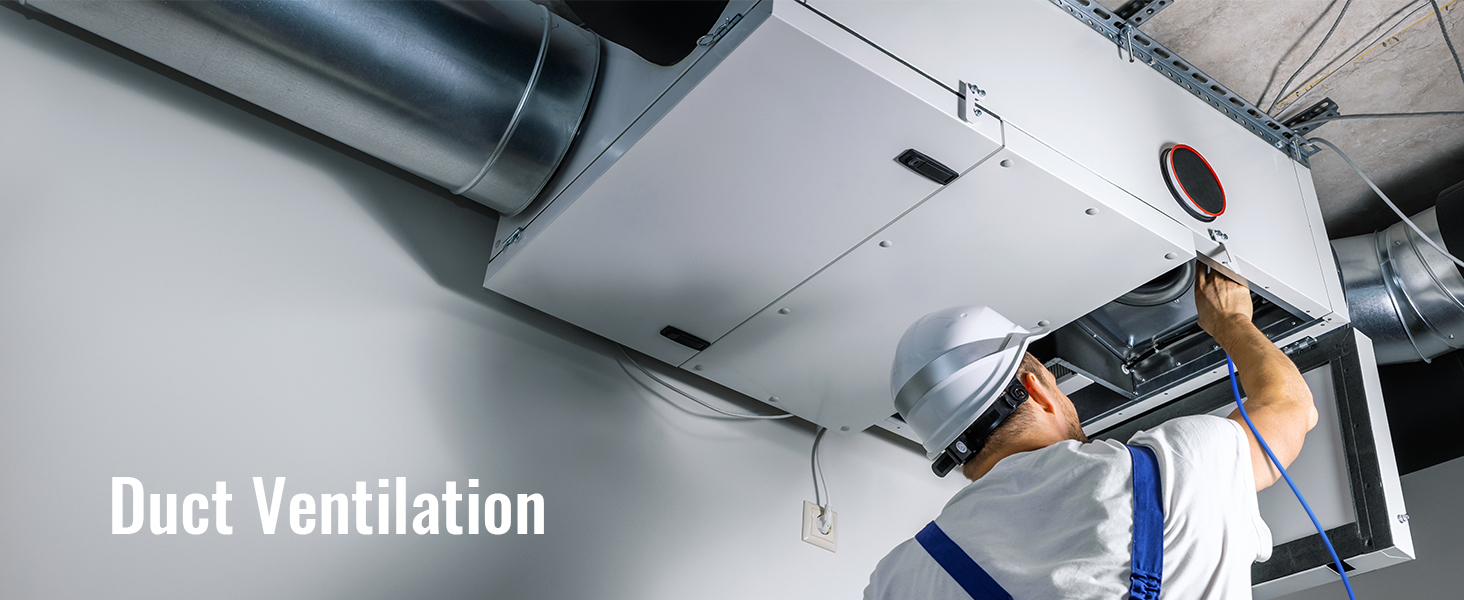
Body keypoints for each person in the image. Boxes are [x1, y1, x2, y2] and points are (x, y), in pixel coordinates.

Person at [866, 267, 1318, 599]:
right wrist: (1231, 321)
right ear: (1037, 388)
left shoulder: (898, 578)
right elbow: (1291, 409)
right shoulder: (1163, 470)